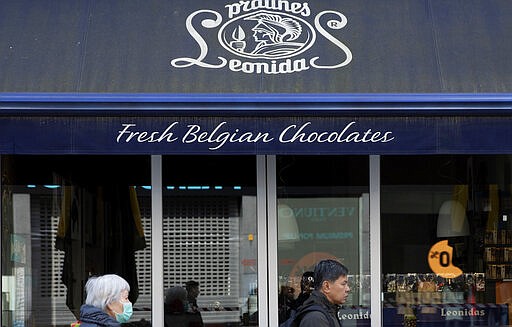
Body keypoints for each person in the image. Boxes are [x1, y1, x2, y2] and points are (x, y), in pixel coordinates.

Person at [298, 260, 350, 327]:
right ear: (326, 286)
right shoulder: (315, 318)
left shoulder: (328, 311)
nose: (348, 289)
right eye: (343, 284)